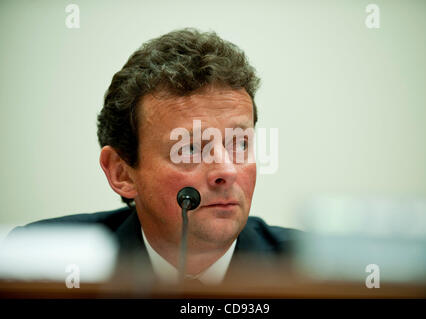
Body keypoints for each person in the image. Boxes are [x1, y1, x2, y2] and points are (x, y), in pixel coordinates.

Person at [8, 28, 301, 288]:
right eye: (189, 149)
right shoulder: (41, 265)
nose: (227, 170)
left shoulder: (317, 271)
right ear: (121, 173)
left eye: (239, 143)